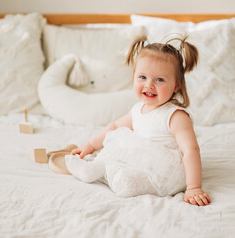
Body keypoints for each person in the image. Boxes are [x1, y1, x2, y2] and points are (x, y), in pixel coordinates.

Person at [67, 35, 211, 206]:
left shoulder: (175, 116)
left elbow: (191, 150)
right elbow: (114, 126)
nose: (149, 85)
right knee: (117, 146)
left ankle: (117, 178)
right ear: (134, 77)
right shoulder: (137, 109)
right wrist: (90, 146)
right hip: (141, 161)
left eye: (159, 80)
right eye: (142, 77)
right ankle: (94, 169)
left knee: (129, 181)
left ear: (176, 85)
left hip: (165, 172)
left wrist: (194, 187)